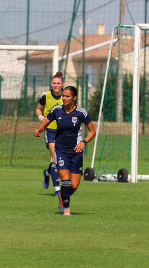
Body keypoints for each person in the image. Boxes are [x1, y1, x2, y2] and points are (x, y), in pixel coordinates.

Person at [34, 86, 95, 216]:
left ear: (74, 98)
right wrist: (38, 130)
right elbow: (45, 123)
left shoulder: (81, 112)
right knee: (66, 181)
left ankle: (62, 196)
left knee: (73, 185)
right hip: (61, 150)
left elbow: (92, 131)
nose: (64, 98)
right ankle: (66, 208)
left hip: (76, 151)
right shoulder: (57, 110)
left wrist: (83, 142)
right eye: (63, 96)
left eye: (67, 96)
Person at [35, 71, 64, 196]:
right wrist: (41, 117)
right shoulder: (45, 95)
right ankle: (57, 189)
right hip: (50, 130)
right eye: (54, 83)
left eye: (58, 83)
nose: (56, 85)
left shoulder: (67, 96)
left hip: (63, 131)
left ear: (62, 84)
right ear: (51, 84)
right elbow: (38, 109)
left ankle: (47, 173)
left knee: (60, 159)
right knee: (55, 159)